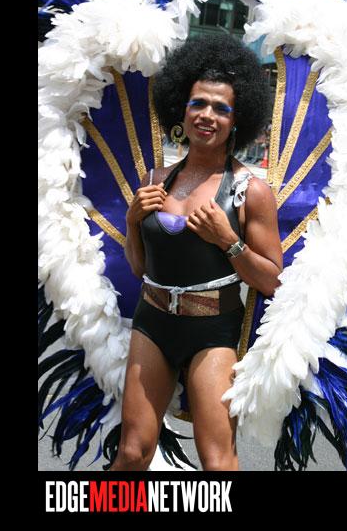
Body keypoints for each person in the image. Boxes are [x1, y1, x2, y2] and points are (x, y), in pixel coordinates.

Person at [108, 34, 283, 471]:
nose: (207, 115)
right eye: (198, 104)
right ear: (181, 110)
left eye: (221, 108)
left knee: (217, 462)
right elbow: (140, 268)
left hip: (212, 331)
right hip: (152, 323)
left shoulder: (250, 191)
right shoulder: (155, 179)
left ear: (237, 120)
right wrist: (133, 221)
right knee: (132, 452)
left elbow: (272, 280)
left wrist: (228, 240)